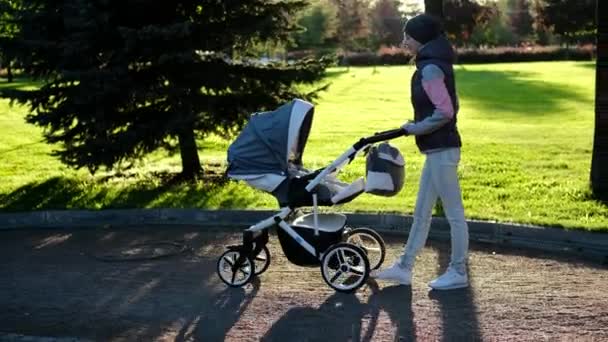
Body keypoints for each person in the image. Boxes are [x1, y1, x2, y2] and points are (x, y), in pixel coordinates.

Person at [371, 14, 470, 290]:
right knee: (422, 212)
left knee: (453, 213)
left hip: (443, 149)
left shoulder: (430, 69)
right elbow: (453, 104)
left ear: (420, 39)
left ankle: (458, 270)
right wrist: (420, 128)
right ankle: (404, 267)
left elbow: (446, 111)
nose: (403, 42)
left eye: (408, 37)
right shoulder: (432, 65)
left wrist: (415, 128)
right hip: (437, 148)